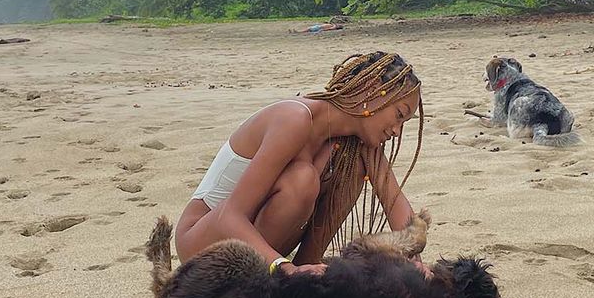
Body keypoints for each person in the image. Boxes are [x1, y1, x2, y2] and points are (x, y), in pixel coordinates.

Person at [174, 51, 424, 276]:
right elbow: (229, 215)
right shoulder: (295, 119)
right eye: (399, 115)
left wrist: (416, 261)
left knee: (352, 168)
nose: (397, 131)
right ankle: (279, 277)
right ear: (369, 91)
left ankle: (306, 268)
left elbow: (394, 200)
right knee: (301, 179)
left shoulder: (357, 144)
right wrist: (285, 269)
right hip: (203, 240)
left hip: (251, 245)